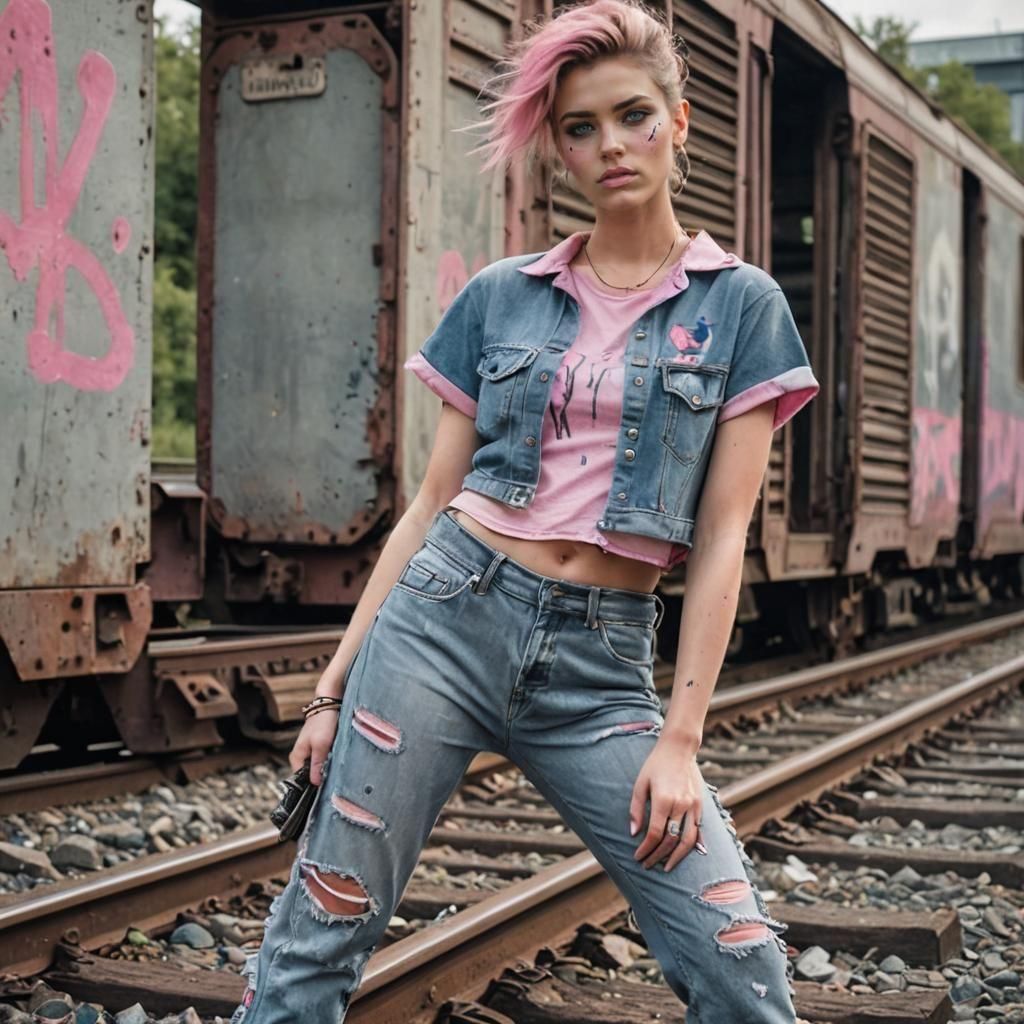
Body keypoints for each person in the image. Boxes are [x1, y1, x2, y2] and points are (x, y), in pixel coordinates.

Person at [232, 1, 819, 1021]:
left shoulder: (741, 306)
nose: (609, 146)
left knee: (737, 961)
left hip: (600, 668)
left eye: (633, 116)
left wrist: (680, 738)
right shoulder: (504, 296)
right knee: (318, 937)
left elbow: (723, 537)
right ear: (557, 149)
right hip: (444, 620)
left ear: (679, 122)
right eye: (579, 128)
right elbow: (426, 506)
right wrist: (331, 689)